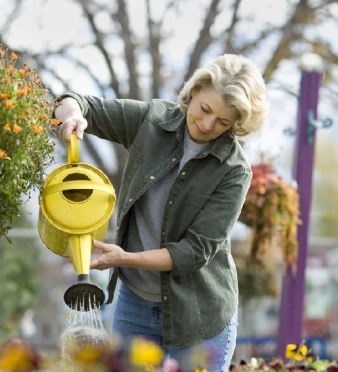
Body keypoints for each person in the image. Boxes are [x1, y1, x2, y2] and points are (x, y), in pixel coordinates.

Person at [54, 53, 269, 372]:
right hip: (135, 305)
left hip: (199, 315)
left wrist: (124, 258)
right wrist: (72, 116)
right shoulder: (151, 122)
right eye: (205, 109)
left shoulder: (234, 171)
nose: (207, 125)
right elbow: (78, 103)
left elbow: (194, 252)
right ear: (194, 91)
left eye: (223, 122)